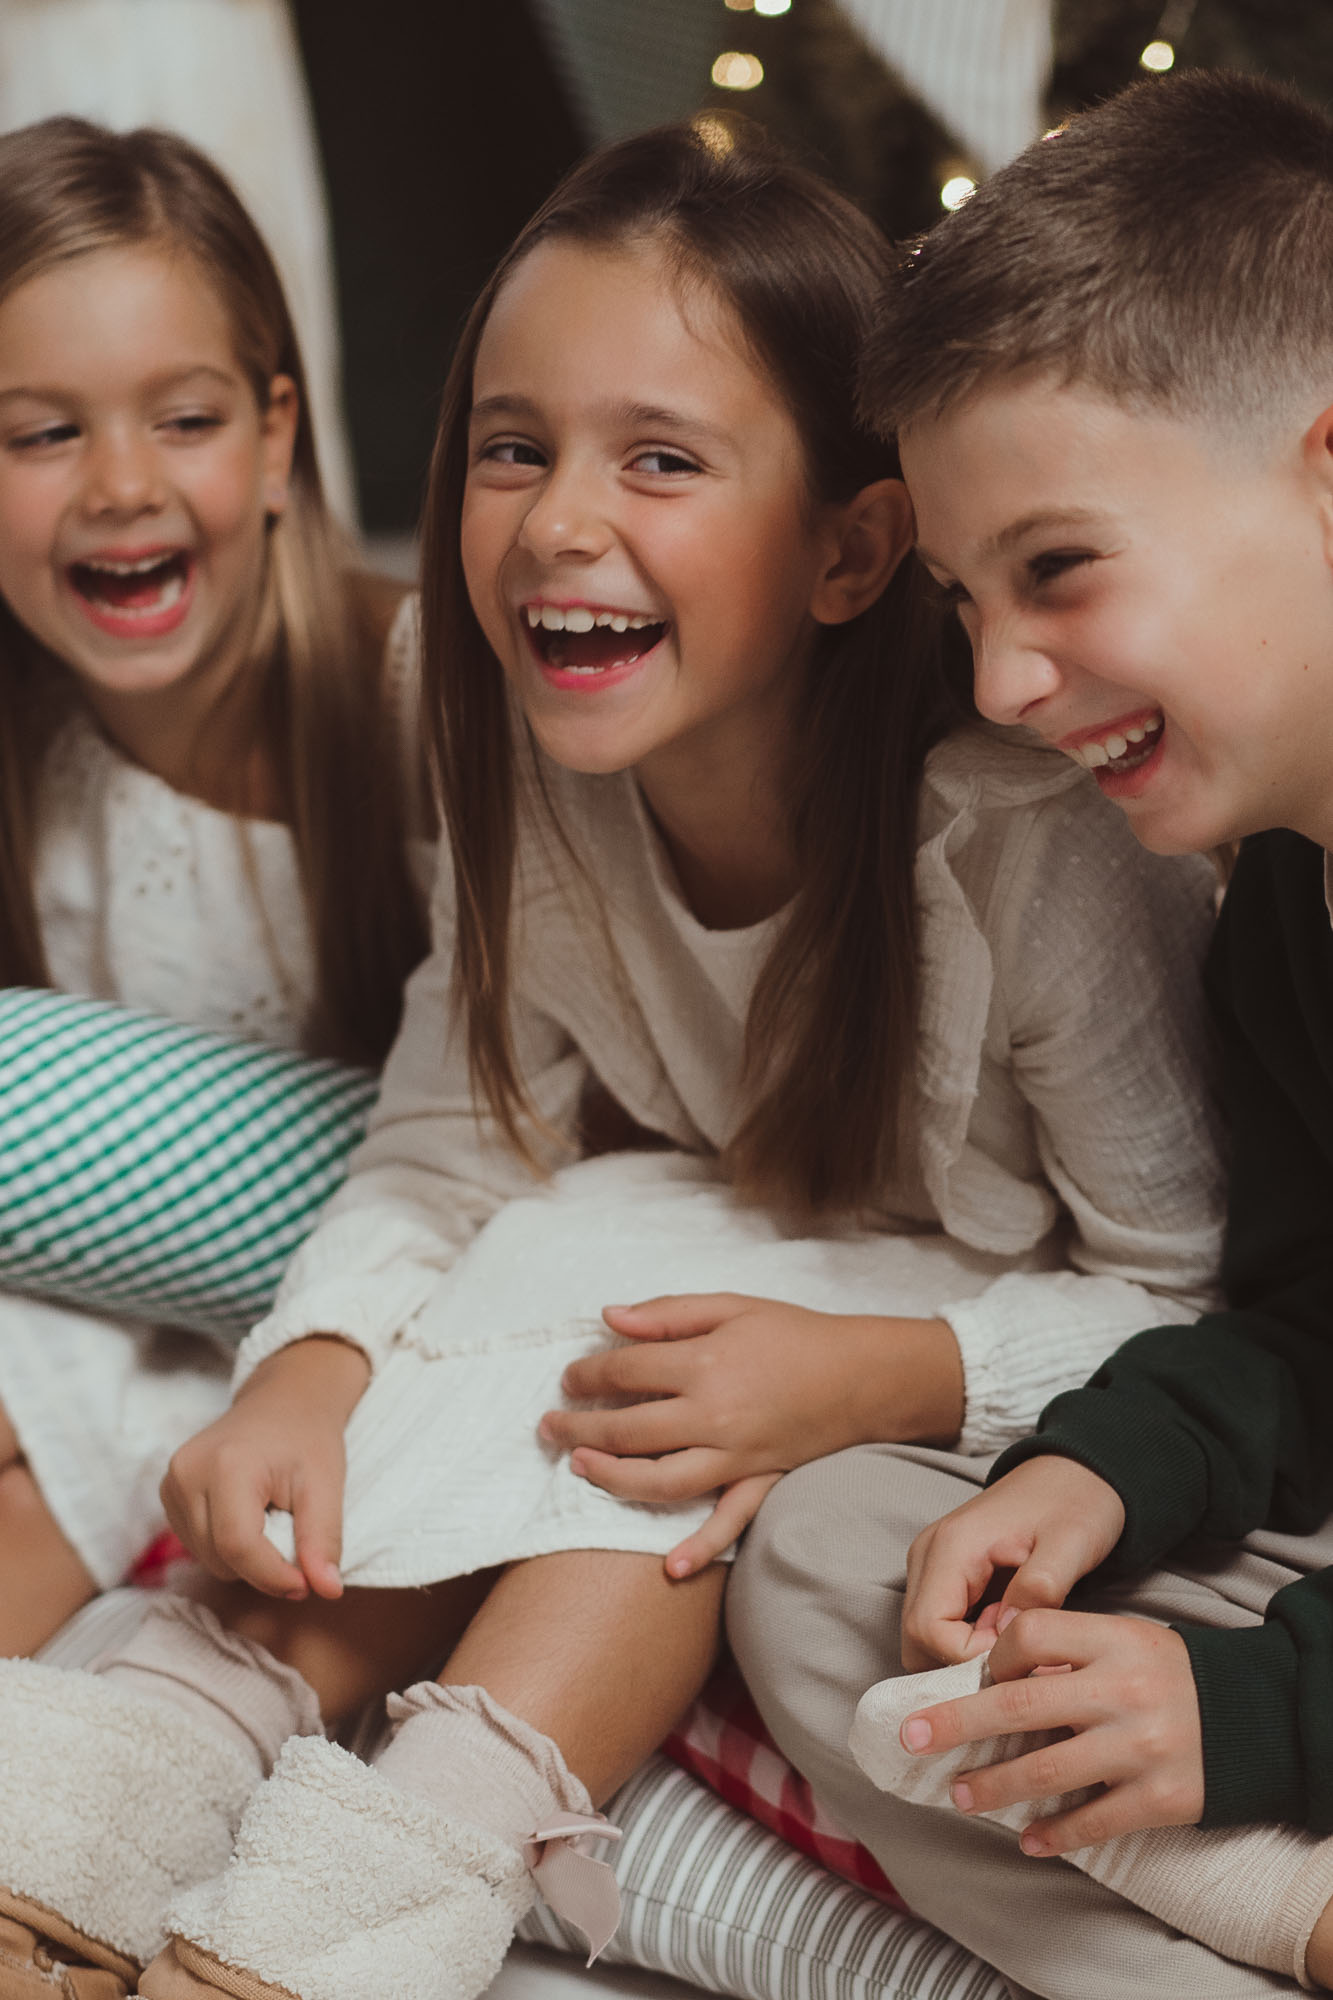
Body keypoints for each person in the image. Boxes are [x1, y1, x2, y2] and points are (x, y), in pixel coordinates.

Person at [0, 116, 1222, 2000]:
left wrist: (874, 1377)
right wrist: (308, 1373)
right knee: (582, 1240)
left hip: (966, 1320)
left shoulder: (1016, 846)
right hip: (715, 1258)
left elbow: (1189, 1295)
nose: (561, 520)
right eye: (513, 449)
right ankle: (134, 1764)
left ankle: (387, 1876)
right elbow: (446, 1130)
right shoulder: (495, 739)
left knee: (655, 1319)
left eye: (660, 460)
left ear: (848, 547)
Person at [730, 67, 1333, 2000]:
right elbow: (1313, 1325)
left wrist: (1255, 1720)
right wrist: (1099, 1471)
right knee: (835, 1557)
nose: (999, 676)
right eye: (963, 600)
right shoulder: (1280, 909)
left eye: (1059, 568)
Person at [0, 115, 427, 1662]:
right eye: (40, 435)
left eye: (179, 419)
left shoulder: (414, 701)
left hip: (382, 1306)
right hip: (109, 1302)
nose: (118, 485)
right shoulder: (29, 739)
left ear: (272, 439)